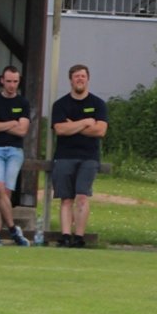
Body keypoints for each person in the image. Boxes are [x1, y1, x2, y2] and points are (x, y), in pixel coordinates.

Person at [51, 64, 108, 248]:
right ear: (71, 80)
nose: (80, 79)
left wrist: (73, 126)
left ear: (88, 79)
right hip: (64, 156)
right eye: (76, 76)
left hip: (88, 157)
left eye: (83, 76)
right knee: (66, 198)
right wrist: (84, 123)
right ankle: (66, 236)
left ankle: (79, 237)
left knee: (82, 196)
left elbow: (100, 130)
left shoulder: (98, 104)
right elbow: (60, 129)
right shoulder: (60, 105)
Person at [0, 65, 32, 247]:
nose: (12, 85)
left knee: (5, 192)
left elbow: (22, 131)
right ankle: (13, 229)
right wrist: (13, 122)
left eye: (15, 81)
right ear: (2, 81)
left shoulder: (23, 103)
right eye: (9, 81)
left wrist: (2, 123)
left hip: (15, 151)